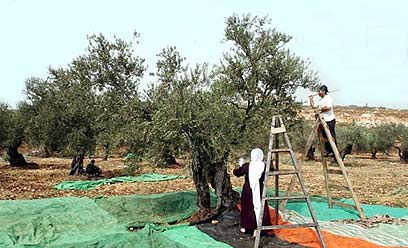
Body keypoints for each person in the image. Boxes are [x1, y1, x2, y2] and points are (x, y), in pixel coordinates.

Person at [233, 148, 272, 236]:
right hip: (260, 188)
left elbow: (237, 173)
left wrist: (240, 165)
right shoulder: (264, 165)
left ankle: (247, 227)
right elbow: (271, 170)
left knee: (248, 206)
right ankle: (262, 227)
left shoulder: (247, 166)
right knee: (260, 206)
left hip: (248, 188)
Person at [309, 85, 337, 157]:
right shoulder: (321, 100)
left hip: (329, 120)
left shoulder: (328, 98)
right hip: (322, 120)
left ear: (323, 91)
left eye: (319, 91)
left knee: (331, 136)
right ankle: (328, 151)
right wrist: (311, 99)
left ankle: (334, 153)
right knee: (324, 136)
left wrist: (320, 110)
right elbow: (314, 107)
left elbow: (328, 107)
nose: (318, 93)